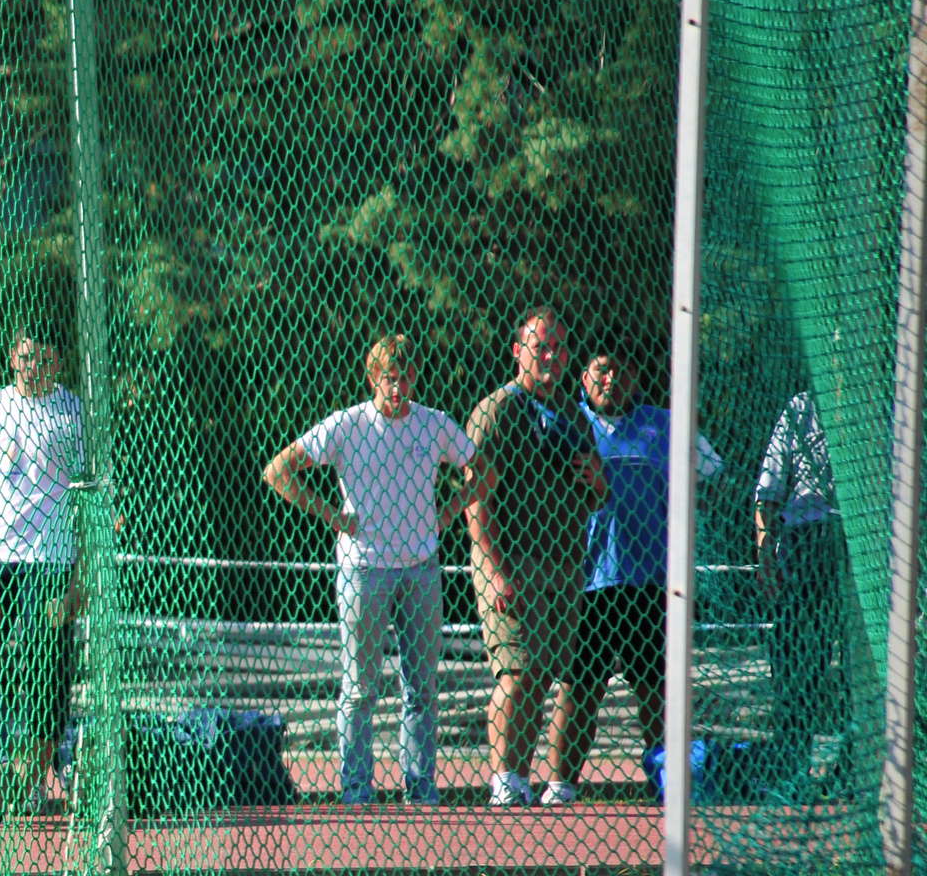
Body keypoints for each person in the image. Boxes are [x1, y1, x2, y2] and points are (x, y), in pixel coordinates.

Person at [262, 334, 477, 804]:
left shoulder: (434, 424)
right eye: (389, 379)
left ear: (415, 377)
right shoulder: (348, 424)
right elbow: (278, 471)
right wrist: (331, 514)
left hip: (420, 566)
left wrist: (448, 512)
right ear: (373, 378)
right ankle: (357, 789)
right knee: (360, 687)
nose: (398, 389)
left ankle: (420, 787)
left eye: (405, 378)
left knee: (422, 687)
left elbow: (481, 471)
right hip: (364, 568)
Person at [541, 351, 722, 803]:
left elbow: (713, 475)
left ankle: (668, 782)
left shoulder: (665, 425)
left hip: (652, 580)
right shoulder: (564, 425)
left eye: (622, 370)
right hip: (586, 581)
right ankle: (560, 786)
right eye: (602, 369)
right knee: (577, 689)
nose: (611, 379)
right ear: (584, 375)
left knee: (656, 688)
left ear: (637, 376)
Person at [464, 308, 611, 806]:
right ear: (517, 351)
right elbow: (476, 504)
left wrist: (597, 479)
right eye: (540, 346)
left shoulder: (574, 416)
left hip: (565, 567)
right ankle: (505, 780)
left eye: (559, 348)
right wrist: (494, 572)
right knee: (518, 671)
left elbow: (597, 497)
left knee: (546, 676)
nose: (550, 356)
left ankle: (529, 782)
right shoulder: (496, 411)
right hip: (511, 563)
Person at [0, 333, 86, 819]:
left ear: (59, 361)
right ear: (13, 357)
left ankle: (27, 778)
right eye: (26, 358)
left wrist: (79, 581)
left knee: (44, 668)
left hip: (52, 560)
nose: (34, 368)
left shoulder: (73, 413)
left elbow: (88, 499)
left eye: (45, 359)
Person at [755, 389, 849, 764]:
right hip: (807, 541)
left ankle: (855, 762)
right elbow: (768, 491)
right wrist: (765, 556)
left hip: (861, 539)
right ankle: (792, 759)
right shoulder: (801, 408)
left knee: (859, 660)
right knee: (796, 655)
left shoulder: (886, 404)